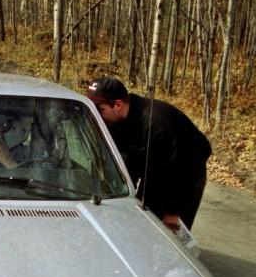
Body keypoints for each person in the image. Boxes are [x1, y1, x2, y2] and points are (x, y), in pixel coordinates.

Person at [86, 77, 211, 230]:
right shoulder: (115, 122)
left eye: (99, 109)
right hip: (153, 167)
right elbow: (123, 162)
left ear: (118, 105)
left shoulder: (158, 124)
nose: (96, 116)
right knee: (143, 220)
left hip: (186, 173)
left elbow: (188, 169)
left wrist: (173, 212)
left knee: (168, 231)